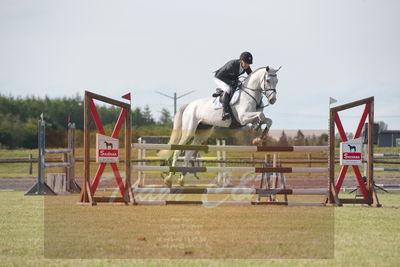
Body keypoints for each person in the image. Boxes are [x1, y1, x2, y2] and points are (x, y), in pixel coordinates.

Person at [214, 51, 253, 120]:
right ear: (241, 61)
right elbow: (219, 76)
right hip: (219, 78)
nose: (247, 65)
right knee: (228, 89)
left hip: (231, 78)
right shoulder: (232, 65)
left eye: (249, 64)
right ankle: (225, 111)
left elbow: (252, 75)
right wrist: (231, 82)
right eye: (246, 63)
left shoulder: (246, 66)